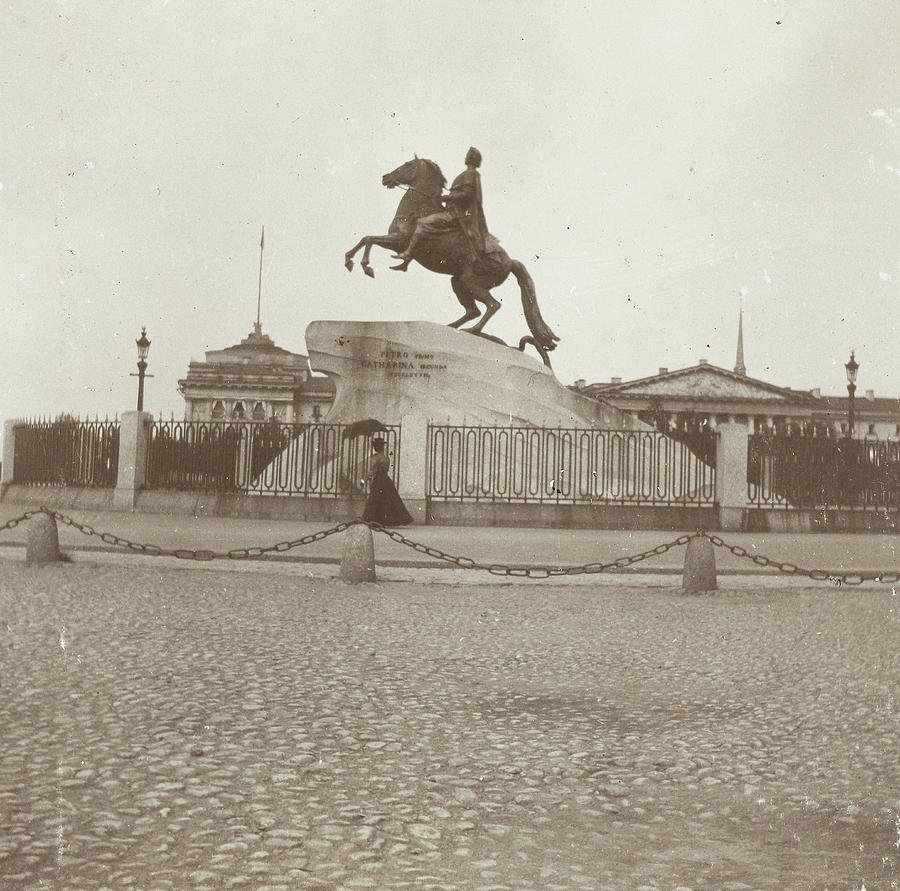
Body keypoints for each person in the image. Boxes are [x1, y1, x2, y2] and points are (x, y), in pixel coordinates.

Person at [391, 146, 496, 271]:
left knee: (423, 223)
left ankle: (408, 254)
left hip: (457, 214)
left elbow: (467, 194)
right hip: (453, 211)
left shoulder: (471, 174)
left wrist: (445, 198)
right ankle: (406, 261)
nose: (465, 157)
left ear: (470, 158)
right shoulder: (468, 174)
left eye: (467, 155)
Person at [362, 437, 412, 526]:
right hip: (386, 480)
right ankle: (386, 520)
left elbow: (372, 471)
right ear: (382, 447)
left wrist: (364, 480)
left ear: (375, 447)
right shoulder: (386, 458)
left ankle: (372, 519)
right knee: (388, 500)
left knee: (374, 500)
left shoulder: (376, 458)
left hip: (378, 480)